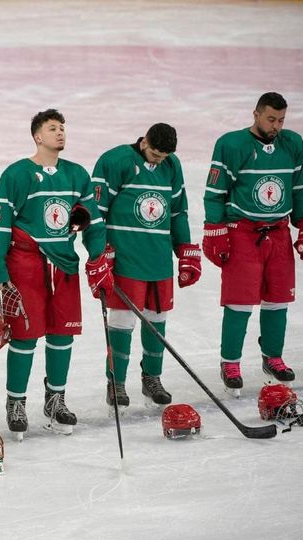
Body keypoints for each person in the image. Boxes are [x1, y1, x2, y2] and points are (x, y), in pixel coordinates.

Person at [0, 109, 110, 440]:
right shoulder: (18, 174)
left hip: (64, 264)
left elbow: (92, 221)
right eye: (53, 129)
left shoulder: (77, 175)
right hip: (26, 265)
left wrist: (98, 258)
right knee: (25, 335)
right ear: (38, 136)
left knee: (62, 334)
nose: (60, 133)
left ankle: (56, 400)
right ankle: (16, 402)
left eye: (63, 128)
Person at [203, 92, 303, 397]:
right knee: (239, 302)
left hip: (279, 233)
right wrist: (215, 230)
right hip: (243, 233)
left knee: (278, 300)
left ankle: (273, 357)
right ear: (256, 114)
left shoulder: (292, 143)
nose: (276, 126)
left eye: (281, 120)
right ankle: (230, 363)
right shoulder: (231, 144)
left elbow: (299, 191)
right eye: (271, 119)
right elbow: (215, 193)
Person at [91, 123, 201, 411]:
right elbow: (95, 213)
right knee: (123, 321)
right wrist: (99, 253)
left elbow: (178, 211)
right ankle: (116, 383)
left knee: (157, 319)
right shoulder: (114, 161)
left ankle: (152, 378)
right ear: (144, 142)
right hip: (125, 258)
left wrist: (185, 251)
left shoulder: (172, 166)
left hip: (159, 258)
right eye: (154, 153)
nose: (158, 160)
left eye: (163, 157)